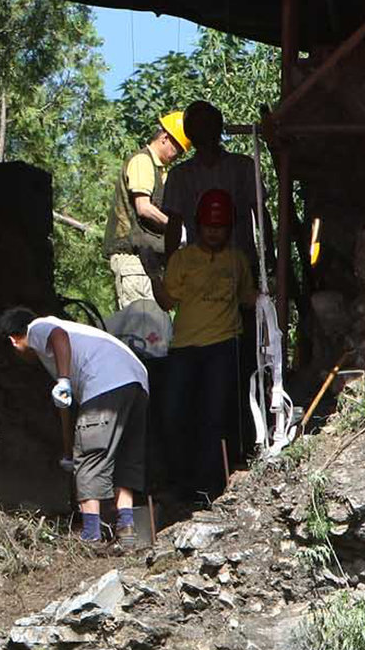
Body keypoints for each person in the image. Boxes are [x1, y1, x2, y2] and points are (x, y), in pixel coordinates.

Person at [0, 306, 150, 546]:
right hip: (136, 382)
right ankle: (127, 529)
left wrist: (63, 380)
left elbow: (58, 335)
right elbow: (66, 408)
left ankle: (91, 535)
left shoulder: (38, 327)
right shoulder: (67, 353)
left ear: (13, 340)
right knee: (124, 458)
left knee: (90, 459)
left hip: (105, 382)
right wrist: (69, 451)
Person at [154, 189, 257, 501]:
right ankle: (179, 482)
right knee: (176, 414)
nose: (215, 233)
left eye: (221, 228)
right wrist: (154, 280)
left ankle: (210, 486)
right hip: (185, 346)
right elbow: (168, 300)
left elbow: (248, 299)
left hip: (224, 346)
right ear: (199, 226)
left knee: (215, 417)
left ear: (229, 228)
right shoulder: (183, 259)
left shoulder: (237, 261)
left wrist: (272, 295)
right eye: (210, 227)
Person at [161, 101, 270, 268]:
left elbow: (261, 212)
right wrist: (171, 266)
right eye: (196, 125)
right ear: (189, 132)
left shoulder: (244, 167)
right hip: (198, 273)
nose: (202, 130)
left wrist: (271, 253)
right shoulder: (179, 176)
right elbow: (173, 226)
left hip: (241, 269)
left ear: (217, 127)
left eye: (206, 124)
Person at [103, 111, 189, 309]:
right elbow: (144, 208)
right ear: (165, 138)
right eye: (178, 149)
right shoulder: (142, 161)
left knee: (154, 325)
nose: (179, 155)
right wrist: (178, 228)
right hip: (134, 259)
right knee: (142, 325)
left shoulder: (159, 169)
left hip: (147, 261)